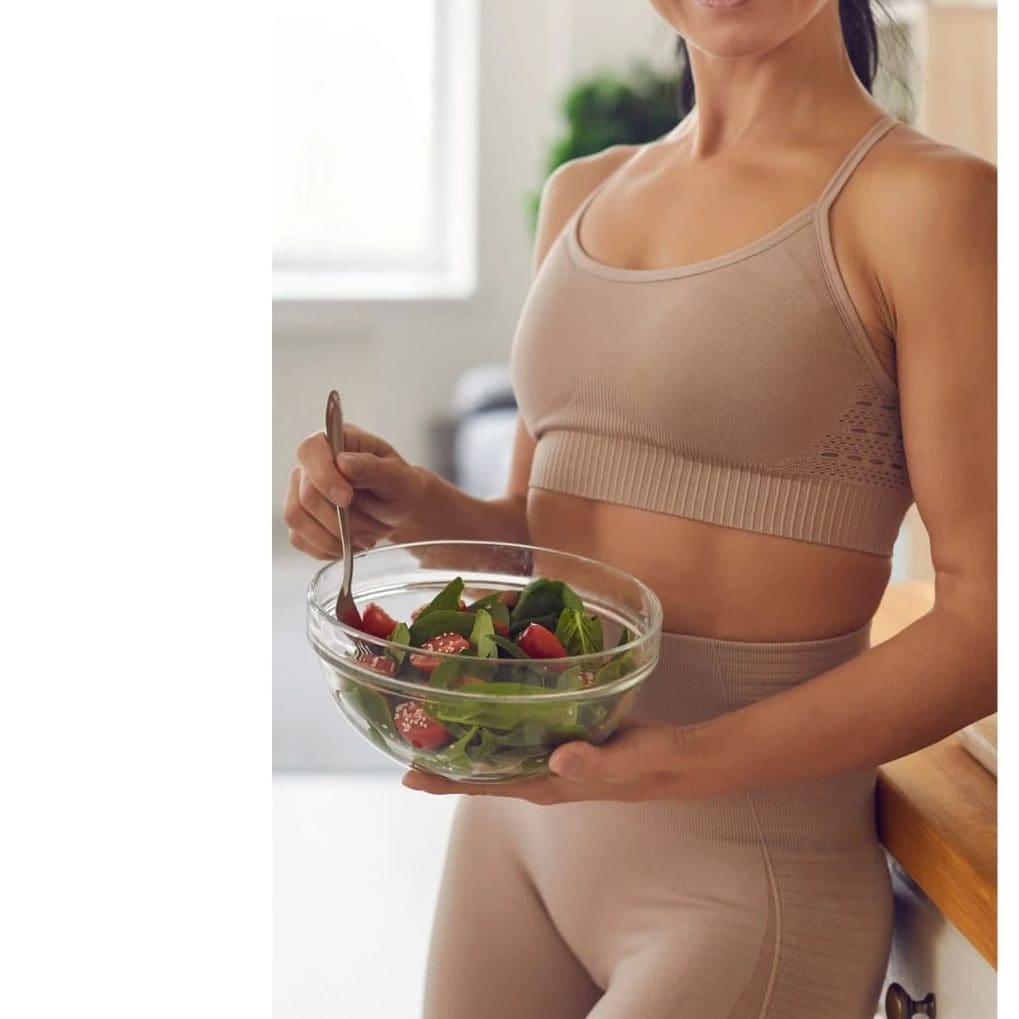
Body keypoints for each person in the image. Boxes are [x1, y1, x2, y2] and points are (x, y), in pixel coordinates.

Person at [282, 0, 996, 1014]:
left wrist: (682, 761)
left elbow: (986, 624)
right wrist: (416, 505)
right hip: (512, 831)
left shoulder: (927, 202)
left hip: (739, 881)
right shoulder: (582, 192)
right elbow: (550, 530)